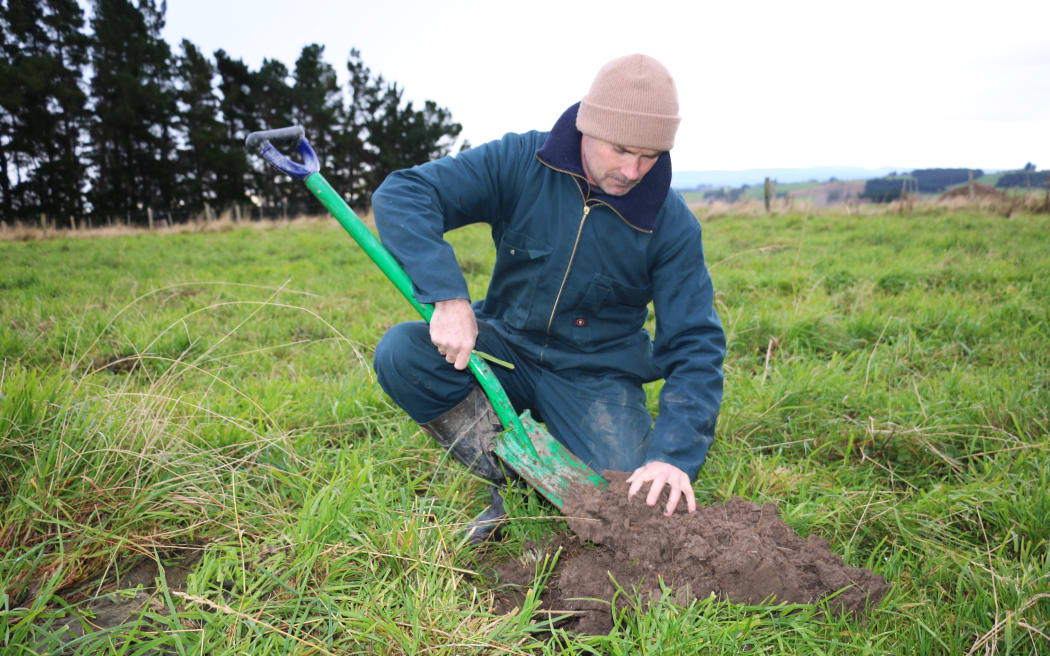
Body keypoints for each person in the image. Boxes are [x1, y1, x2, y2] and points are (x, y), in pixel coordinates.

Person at [371, 54, 725, 542]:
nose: (632, 170)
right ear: (588, 126)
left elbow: (696, 344)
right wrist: (448, 297)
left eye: (649, 156)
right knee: (402, 354)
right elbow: (404, 193)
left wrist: (673, 456)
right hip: (504, 347)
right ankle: (516, 491)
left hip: (594, 377)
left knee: (625, 499)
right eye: (621, 149)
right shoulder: (521, 162)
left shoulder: (670, 222)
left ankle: (557, 491)